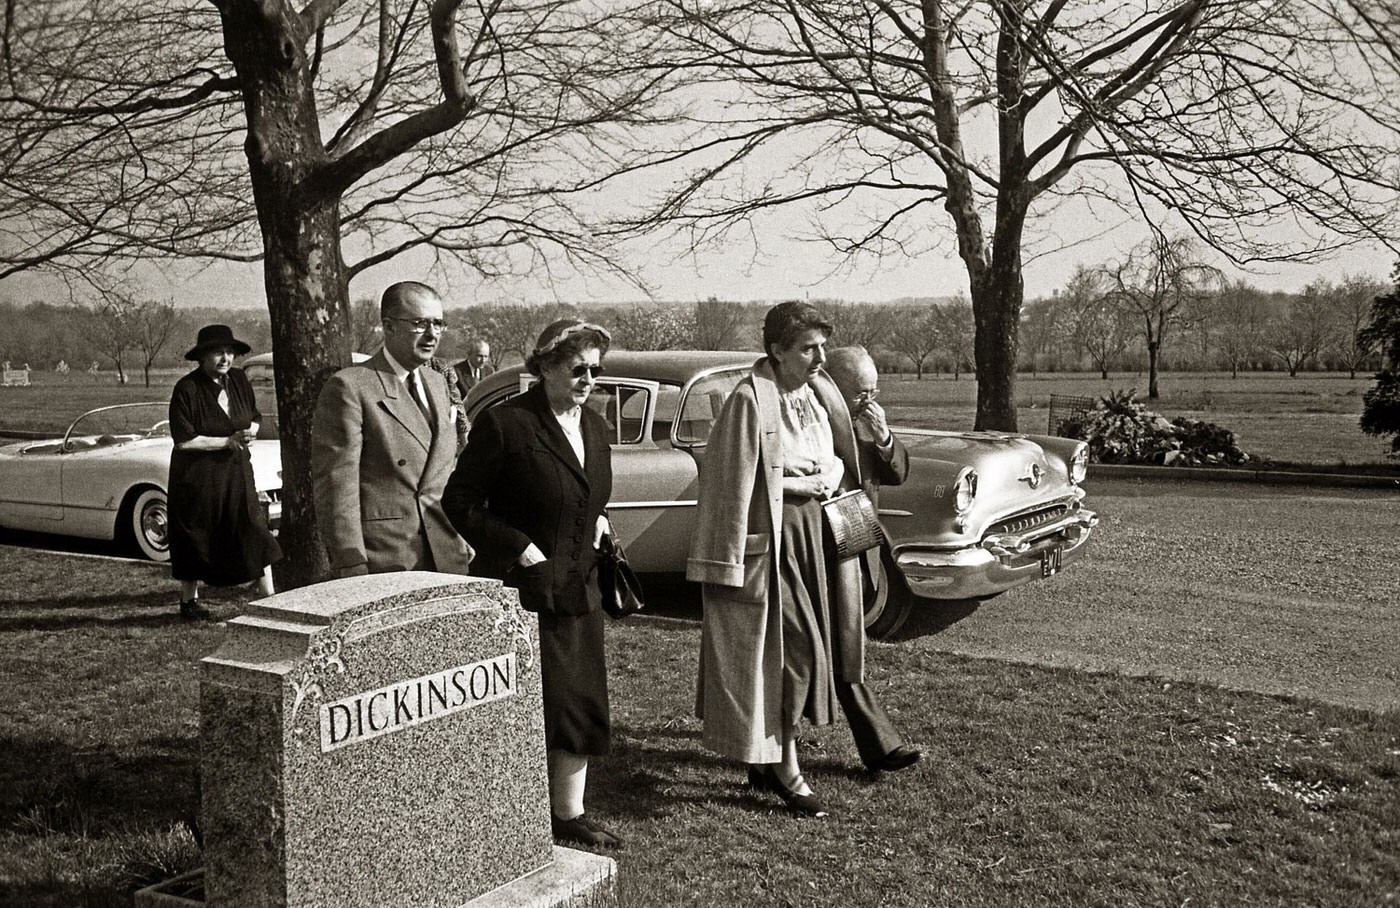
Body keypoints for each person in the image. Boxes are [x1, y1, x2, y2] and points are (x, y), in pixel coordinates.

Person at [687, 302, 915, 820]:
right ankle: (789, 771)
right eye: (808, 348)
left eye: (822, 347)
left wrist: (830, 473)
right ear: (776, 351)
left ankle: (768, 761)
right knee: (795, 655)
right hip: (775, 541)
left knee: (827, 648)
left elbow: (842, 455)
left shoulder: (818, 393)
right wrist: (798, 483)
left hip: (822, 534)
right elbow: (730, 481)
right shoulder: (749, 400)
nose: (819, 358)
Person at [444, 319, 620, 848]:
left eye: (595, 369)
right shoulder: (507, 425)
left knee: (579, 701)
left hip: (577, 585)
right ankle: (502, 804)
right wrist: (517, 545)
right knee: (520, 704)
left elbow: (589, 492)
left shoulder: (593, 426)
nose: (588, 379)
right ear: (543, 367)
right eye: (577, 369)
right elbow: (459, 503)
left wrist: (600, 520)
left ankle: (567, 812)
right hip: (519, 591)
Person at [311, 281, 472, 577]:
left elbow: (448, 471)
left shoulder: (438, 383)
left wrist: (464, 531)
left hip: (445, 552)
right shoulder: (351, 387)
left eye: (438, 323)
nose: (432, 334)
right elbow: (337, 485)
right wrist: (350, 559)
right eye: (419, 323)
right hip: (383, 558)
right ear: (389, 326)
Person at [821, 345, 921, 770]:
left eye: (875, 391)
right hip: (817, 549)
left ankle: (768, 753)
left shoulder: (867, 422)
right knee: (840, 653)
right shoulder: (813, 423)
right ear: (833, 385)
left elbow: (897, 473)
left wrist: (883, 437)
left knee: (838, 651)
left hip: (856, 542)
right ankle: (881, 745)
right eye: (861, 392)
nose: (871, 401)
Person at [167, 325, 281, 619]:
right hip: (198, 476)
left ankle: (268, 594)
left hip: (237, 471)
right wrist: (226, 441)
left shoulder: (240, 381)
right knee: (197, 534)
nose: (225, 358)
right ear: (202, 357)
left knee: (254, 524)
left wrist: (252, 429)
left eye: (229, 352)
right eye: (218, 352)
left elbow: (252, 415)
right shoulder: (187, 389)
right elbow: (184, 440)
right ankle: (188, 602)